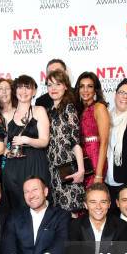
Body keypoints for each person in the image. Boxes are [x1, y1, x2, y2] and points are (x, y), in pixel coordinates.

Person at [3, 75, 51, 209]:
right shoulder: (7, 115)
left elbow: (44, 141)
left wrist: (26, 140)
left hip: (35, 164)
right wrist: (7, 153)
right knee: (15, 206)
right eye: (20, 87)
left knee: (37, 203)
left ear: (34, 91)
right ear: (15, 90)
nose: (23, 91)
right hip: (13, 167)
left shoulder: (39, 111)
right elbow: (2, 145)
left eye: (27, 87)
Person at [45, 70, 85, 216]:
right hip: (53, 169)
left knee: (71, 213)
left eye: (58, 84)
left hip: (67, 168)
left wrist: (81, 170)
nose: (53, 88)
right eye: (50, 85)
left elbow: (75, 142)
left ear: (66, 87)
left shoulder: (69, 108)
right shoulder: (49, 111)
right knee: (59, 214)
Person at [74, 72, 110, 187]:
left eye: (89, 86)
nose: (85, 90)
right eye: (82, 86)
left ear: (95, 90)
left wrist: (99, 174)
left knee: (93, 196)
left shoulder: (99, 107)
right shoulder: (78, 110)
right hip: (81, 159)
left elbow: (104, 142)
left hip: (95, 158)